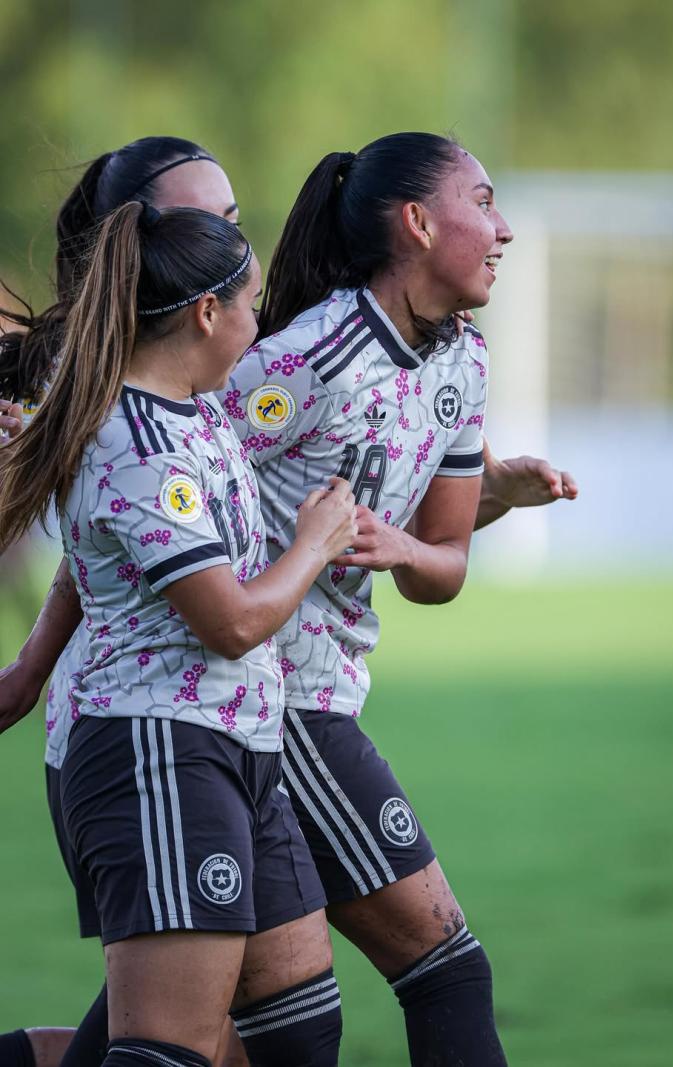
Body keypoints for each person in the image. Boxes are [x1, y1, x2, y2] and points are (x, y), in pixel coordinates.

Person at [0, 133, 576, 1067]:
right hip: (212, 716)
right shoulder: (251, 380)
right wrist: (35, 665)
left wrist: (464, 508)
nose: (503, 228)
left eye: (232, 221)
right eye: (209, 227)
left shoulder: (440, 365)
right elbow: (170, 549)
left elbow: (431, 555)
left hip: (253, 714)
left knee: (237, 1032)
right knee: (431, 972)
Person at [0, 201, 357, 1067]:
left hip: (238, 749)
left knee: (301, 1032)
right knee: (169, 1053)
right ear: (206, 312)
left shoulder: (191, 410)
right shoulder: (138, 444)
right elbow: (230, 622)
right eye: (252, 304)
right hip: (159, 752)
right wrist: (315, 544)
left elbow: (96, 562)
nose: (258, 325)